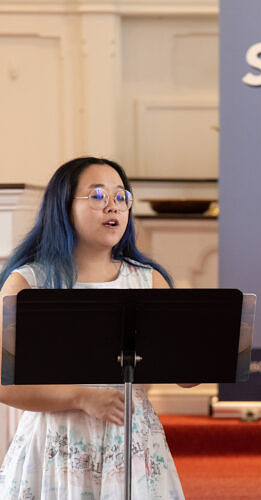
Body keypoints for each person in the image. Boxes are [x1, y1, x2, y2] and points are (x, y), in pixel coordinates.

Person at [0, 157, 187, 498]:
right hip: (58, 442)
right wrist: (82, 397)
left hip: (130, 440)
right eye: (98, 196)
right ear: (63, 207)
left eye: (121, 197)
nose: (113, 206)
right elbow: (3, 384)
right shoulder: (28, 284)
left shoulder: (148, 280)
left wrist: (198, 357)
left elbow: (184, 372)